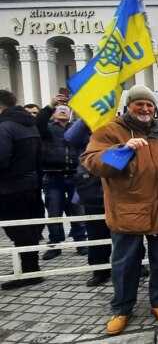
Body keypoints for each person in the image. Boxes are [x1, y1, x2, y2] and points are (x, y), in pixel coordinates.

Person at [81, 84, 158, 335]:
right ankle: (122, 309)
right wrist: (123, 151)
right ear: (129, 106)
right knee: (125, 264)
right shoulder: (111, 129)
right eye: (139, 104)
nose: (145, 108)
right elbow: (93, 163)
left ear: (154, 109)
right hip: (128, 212)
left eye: (149, 105)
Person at [0, 90, 46, 290]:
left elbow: (1, 159)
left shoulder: (5, 128)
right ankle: (29, 267)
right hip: (31, 183)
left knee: (18, 230)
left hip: (9, 187)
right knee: (27, 228)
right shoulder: (29, 125)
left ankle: (29, 271)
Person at [36, 96, 87, 259]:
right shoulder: (48, 129)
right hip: (53, 176)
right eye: (59, 108)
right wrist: (50, 106)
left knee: (78, 210)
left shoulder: (76, 128)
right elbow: (39, 123)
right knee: (54, 212)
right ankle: (54, 244)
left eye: (66, 108)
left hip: (74, 175)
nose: (63, 110)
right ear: (54, 113)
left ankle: (80, 241)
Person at [64, 119, 112, 287]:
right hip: (92, 190)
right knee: (96, 232)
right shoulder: (84, 134)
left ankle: (134, 265)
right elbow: (69, 138)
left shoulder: (118, 129)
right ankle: (100, 270)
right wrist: (88, 116)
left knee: (127, 232)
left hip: (118, 190)